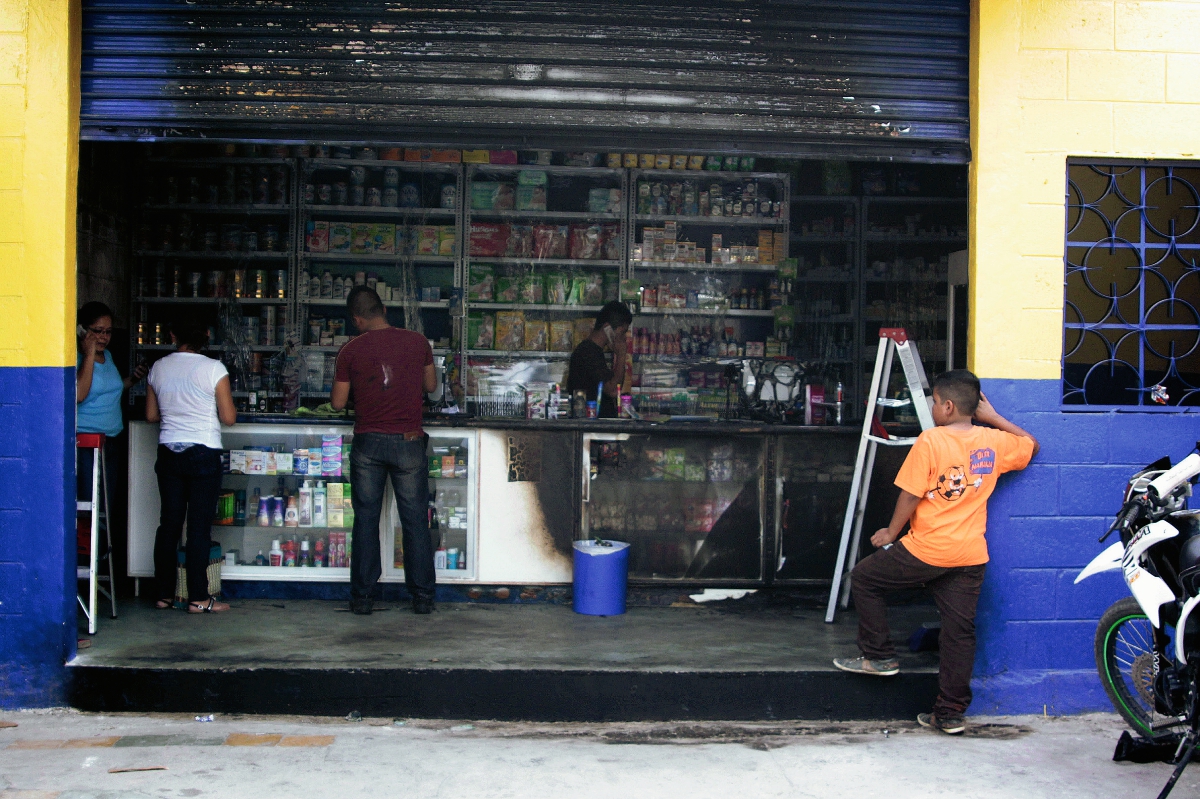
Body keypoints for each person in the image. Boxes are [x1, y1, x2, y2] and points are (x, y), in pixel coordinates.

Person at [832, 369, 1038, 735]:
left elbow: (910, 494)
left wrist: (889, 532)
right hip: (970, 556)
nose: (931, 408)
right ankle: (950, 714)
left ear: (946, 405)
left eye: (934, 402)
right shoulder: (993, 441)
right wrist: (992, 418)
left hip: (927, 550)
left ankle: (879, 657)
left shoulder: (931, 441)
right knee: (959, 634)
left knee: (864, 579)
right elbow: (1030, 444)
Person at [331, 286, 438, 616]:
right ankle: (422, 598)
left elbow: (336, 403)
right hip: (408, 442)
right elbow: (431, 388)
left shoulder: (350, 351)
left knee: (365, 520)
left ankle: (362, 599)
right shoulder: (418, 342)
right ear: (384, 310)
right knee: (416, 521)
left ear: (358, 318)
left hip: (368, 444)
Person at [145, 317, 237, 614]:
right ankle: (198, 598)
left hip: (169, 452)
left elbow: (150, 415)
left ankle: (163, 595)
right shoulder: (214, 369)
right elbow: (229, 417)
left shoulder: (158, 367)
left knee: (169, 525)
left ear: (172, 333)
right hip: (203, 453)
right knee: (198, 528)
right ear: (207, 334)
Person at [76, 302, 146, 557]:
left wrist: (133, 380)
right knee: (87, 506)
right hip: (85, 444)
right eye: (97, 331)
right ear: (83, 330)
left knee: (106, 504)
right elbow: (80, 394)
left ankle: (99, 556)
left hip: (111, 442)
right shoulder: (78, 359)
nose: (104, 337)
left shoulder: (109, 357)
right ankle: (85, 559)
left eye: (108, 331)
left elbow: (109, 389)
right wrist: (88, 353)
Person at [566, 301, 632, 418]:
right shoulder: (588, 352)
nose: (623, 338)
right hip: (590, 424)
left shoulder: (594, 351)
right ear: (607, 328)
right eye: (622, 332)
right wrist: (621, 355)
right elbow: (613, 390)